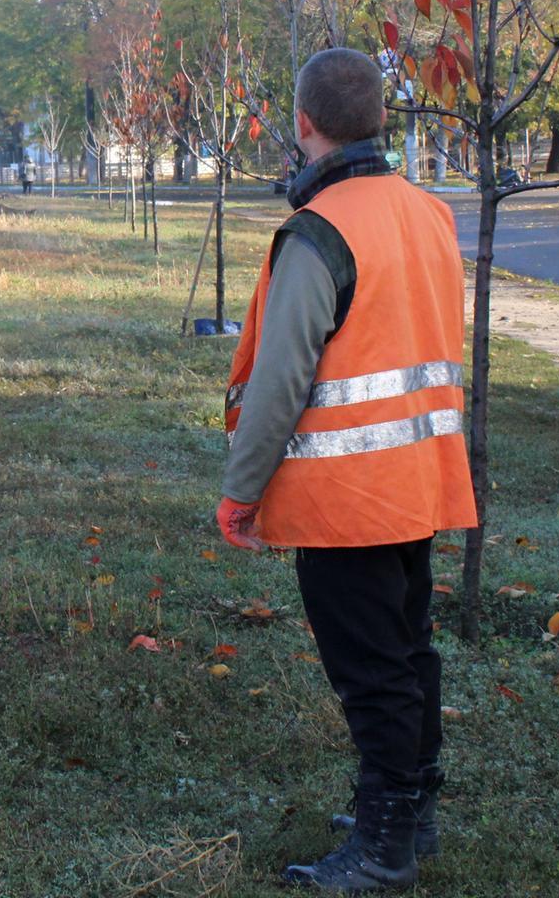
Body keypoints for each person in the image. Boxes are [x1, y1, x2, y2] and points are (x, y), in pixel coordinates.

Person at [214, 47, 477, 892]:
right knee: (408, 653)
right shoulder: (428, 213)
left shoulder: (319, 233)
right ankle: (412, 809)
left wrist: (241, 490)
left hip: (346, 498)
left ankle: (385, 843)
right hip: (419, 478)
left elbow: (283, 378)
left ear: (302, 123)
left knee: (370, 670)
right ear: (379, 120)